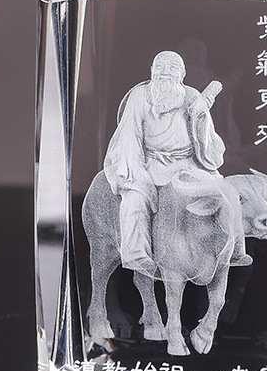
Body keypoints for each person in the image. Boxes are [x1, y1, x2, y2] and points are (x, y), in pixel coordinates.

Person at [103, 50, 251, 278]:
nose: (165, 72)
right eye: (159, 66)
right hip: (152, 165)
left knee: (227, 192)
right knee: (133, 200)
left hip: (188, 165)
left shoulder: (192, 96)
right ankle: (136, 254)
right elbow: (129, 136)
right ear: (152, 71)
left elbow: (207, 143)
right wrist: (134, 172)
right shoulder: (140, 96)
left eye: (172, 67)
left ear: (182, 74)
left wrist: (200, 116)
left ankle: (235, 249)